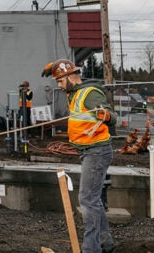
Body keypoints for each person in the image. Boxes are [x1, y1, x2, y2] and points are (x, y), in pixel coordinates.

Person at [42, 59, 116, 253]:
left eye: (59, 80)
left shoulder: (89, 94)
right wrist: (52, 66)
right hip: (88, 151)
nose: (58, 85)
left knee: (87, 200)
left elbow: (111, 116)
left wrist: (105, 115)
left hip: (97, 151)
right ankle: (105, 242)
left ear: (70, 76)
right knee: (93, 199)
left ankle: (91, 249)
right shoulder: (74, 94)